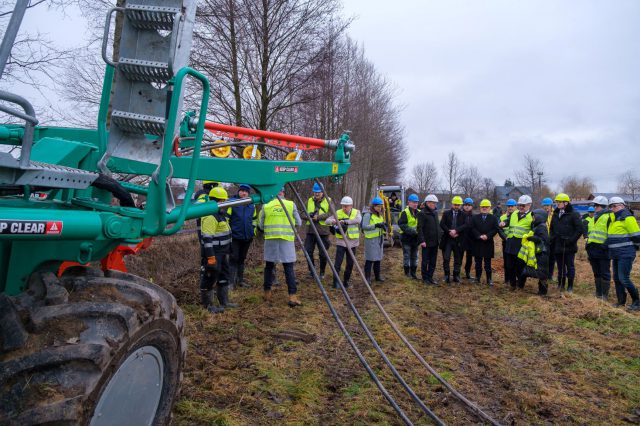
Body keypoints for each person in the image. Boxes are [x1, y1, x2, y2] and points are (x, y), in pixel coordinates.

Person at [259, 187, 302, 307]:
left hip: (270, 240)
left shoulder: (266, 205)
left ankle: (267, 293)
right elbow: (299, 223)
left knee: (269, 267)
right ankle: (292, 297)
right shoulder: (290, 204)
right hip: (286, 241)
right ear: (283, 192)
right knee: (288, 268)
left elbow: (260, 225)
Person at [199, 186, 237, 313]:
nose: (225, 203)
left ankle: (224, 302)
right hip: (214, 254)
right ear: (216, 201)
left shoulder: (221, 214)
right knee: (210, 278)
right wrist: (210, 258)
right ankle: (208, 306)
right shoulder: (210, 216)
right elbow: (207, 240)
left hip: (223, 252)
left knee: (223, 276)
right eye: (223, 201)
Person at [605, 197, 640, 310]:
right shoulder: (613, 219)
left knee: (624, 278)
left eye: (615, 205)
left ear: (622, 206)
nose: (613, 208)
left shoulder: (627, 218)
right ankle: (621, 301)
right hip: (615, 254)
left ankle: (637, 301)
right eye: (611, 206)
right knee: (616, 278)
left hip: (626, 253)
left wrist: (633, 247)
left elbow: (636, 236)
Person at [549, 193, 583, 293]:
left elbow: (579, 229)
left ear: (566, 203)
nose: (557, 204)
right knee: (560, 266)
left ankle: (570, 286)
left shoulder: (574, 214)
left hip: (569, 246)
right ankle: (561, 284)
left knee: (570, 266)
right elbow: (551, 228)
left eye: (559, 202)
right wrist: (552, 238)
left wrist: (571, 240)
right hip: (557, 245)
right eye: (556, 202)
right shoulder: (555, 214)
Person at [325, 196, 362, 288]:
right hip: (341, 242)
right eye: (343, 206)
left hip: (353, 242)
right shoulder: (337, 212)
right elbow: (327, 221)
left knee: (350, 263)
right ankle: (336, 282)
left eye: (346, 206)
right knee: (338, 263)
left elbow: (358, 220)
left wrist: (346, 222)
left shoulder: (356, 212)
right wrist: (333, 221)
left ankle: (346, 281)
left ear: (351, 205)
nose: (344, 208)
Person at [227, 184, 256, 288]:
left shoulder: (251, 204)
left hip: (247, 237)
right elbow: (226, 219)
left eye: (246, 191)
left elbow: (254, 220)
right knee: (233, 258)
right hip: (235, 236)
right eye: (242, 191)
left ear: (248, 193)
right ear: (238, 191)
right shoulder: (232, 203)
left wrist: (253, 232)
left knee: (242, 259)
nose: (244, 193)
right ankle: (230, 282)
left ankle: (240, 281)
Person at [301, 183, 331, 280]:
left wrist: (318, 217)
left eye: (318, 192)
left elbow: (331, 213)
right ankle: (312, 270)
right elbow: (302, 213)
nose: (316, 194)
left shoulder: (328, 200)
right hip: (310, 231)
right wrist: (308, 216)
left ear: (323, 192)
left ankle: (322, 272)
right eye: (315, 192)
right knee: (308, 251)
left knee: (323, 253)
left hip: (323, 231)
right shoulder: (309, 201)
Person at [586, 196, 613, 300]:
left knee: (604, 272)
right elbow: (592, 232)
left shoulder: (609, 217)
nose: (594, 207)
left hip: (603, 249)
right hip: (593, 248)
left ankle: (604, 295)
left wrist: (604, 246)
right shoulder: (594, 217)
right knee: (596, 272)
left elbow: (611, 234)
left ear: (602, 206)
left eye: (596, 205)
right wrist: (588, 244)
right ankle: (598, 293)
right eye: (594, 205)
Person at [504, 195, 534, 290]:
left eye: (523, 205)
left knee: (520, 266)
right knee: (509, 266)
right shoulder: (514, 213)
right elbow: (508, 221)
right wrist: (504, 223)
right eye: (520, 205)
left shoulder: (532, 216)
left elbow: (533, 231)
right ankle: (512, 284)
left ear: (529, 205)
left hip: (522, 246)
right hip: (511, 244)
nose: (521, 207)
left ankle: (520, 284)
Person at [519, 209, 551, 296]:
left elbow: (544, 240)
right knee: (535, 272)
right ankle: (521, 287)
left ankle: (542, 292)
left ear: (539, 217)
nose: (533, 218)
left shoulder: (542, 227)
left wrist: (533, 238)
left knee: (541, 274)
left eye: (534, 217)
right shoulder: (538, 226)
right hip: (538, 253)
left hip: (542, 254)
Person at [470, 199, 499, 285]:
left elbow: (495, 229)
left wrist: (487, 236)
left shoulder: (493, 218)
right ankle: (477, 278)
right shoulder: (475, 217)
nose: (484, 208)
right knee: (477, 262)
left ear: (490, 208)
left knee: (488, 263)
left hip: (488, 242)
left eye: (486, 207)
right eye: (483, 207)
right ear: (480, 208)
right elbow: (472, 228)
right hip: (477, 242)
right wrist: (479, 236)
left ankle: (489, 279)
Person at [439, 196, 467, 283]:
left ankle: (456, 275)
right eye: (455, 204)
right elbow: (442, 224)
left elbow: (465, 225)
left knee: (458, 259)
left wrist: (456, 231)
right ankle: (446, 275)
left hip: (458, 239)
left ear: (460, 205)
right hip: (448, 239)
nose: (456, 206)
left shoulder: (463, 214)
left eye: (458, 205)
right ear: (452, 204)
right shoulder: (446, 213)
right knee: (446, 258)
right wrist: (449, 232)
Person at [362, 197, 387, 283]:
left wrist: (384, 226)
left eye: (381, 206)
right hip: (370, 240)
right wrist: (376, 225)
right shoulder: (368, 215)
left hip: (379, 239)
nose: (380, 208)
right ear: (374, 206)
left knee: (378, 258)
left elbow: (380, 226)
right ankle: (367, 278)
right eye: (378, 206)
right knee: (369, 259)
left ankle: (377, 276)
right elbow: (364, 227)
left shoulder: (379, 215)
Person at [417, 194, 441, 285]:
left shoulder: (435, 213)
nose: (433, 204)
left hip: (435, 242)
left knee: (433, 261)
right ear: (427, 203)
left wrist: (439, 237)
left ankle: (430, 277)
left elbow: (437, 227)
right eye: (431, 202)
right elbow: (419, 228)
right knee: (425, 261)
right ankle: (425, 278)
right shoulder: (422, 213)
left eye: (434, 203)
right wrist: (422, 240)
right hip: (426, 242)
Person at [398, 193, 421, 279]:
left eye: (416, 202)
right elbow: (402, 225)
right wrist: (413, 231)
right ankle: (407, 273)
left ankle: (413, 273)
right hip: (406, 238)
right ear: (409, 203)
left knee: (415, 256)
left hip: (415, 239)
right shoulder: (405, 213)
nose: (415, 204)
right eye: (413, 202)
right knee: (407, 255)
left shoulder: (419, 212)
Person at [498, 199, 517, 284]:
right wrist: (505, 237)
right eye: (509, 206)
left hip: (516, 242)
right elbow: (499, 229)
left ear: (515, 207)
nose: (510, 208)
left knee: (516, 261)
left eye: (512, 206)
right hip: (506, 242)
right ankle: (507, 280)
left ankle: (515, 278)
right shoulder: (502, 217)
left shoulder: (518, 216)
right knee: (506, 262)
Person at [541, 197, 555, 281]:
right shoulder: (541, 214)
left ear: (551, 205)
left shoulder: (555, 214)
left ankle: (550, 275)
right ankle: (543, 274)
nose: (546, 207)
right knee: (544, 258)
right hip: (543, 239)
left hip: (552, 239)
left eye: (547, 205)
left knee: (552, 258)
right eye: (544, 205)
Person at [461, 198, 475, 281]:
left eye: (469, 205)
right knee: (459, 256)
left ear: (472, 206)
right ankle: (457, 272)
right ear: (463, 206)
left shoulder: (474, 216)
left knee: (469, 258)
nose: (467, 207)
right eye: (466, 205)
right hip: (461, 239)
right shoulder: (460, 214)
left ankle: (467, 273)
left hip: (471, 240)